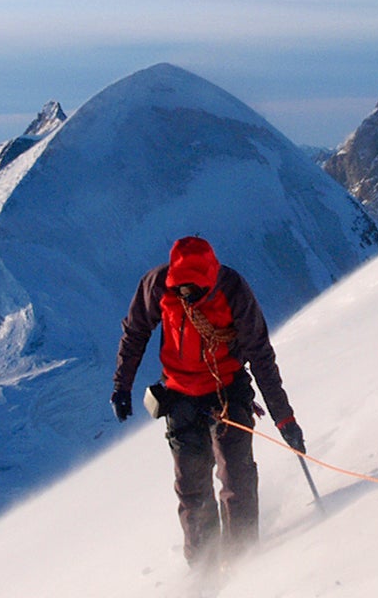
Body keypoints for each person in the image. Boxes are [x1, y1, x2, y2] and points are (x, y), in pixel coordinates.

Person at [112, 235, 307, 566]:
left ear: (210, 280)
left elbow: (260, 356)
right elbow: (135, 333)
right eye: (182, 288)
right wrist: (121, 386)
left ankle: (241, 560)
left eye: (195, 289)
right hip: (178, 398)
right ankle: (203, 568)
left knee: (237, 479)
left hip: (227, 392)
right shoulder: (158, 286)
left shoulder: (233, 291)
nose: (187, 296)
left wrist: (284, 419)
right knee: (192, 488)